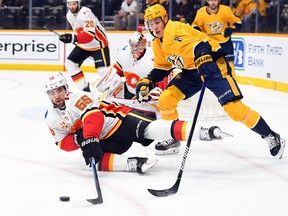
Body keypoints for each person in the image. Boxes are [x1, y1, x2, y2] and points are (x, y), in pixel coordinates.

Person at [135, 4, 285, 159]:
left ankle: (271, 135)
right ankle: (172, 137)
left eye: (157, 22)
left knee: (234, 109)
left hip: (212, 65)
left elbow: (201, 45)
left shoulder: (174, 32)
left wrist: (203, 58)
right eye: (151, 24)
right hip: (191, 71)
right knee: (167, 99)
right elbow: (162, 67)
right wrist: (149, 80)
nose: (154, 27)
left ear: (165, 20)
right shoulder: (158, 43)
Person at [44, 72, 229, 172]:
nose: (56, 96)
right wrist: (79, 141)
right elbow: (62, 142)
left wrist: (88, 137)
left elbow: (95, 117)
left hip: (118, 121)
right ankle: (134, 163)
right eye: (52, 93)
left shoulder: (77, 97)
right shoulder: (51, 117)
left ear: (65, 89)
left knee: (152, 130)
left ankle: (203, 132)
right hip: (106, 140)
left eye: (59, 90)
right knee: (84, 161)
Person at [95, 31, 189, 155]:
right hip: (132, 94)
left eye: (137, 45)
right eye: (132, 45)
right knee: (110, 104)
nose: (135, 49)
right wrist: (106, 80)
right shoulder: (124, 53)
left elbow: (164, 74)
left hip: (149, 95)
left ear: (144, 44)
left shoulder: (153, 56)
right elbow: (117, 70)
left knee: (164, 107)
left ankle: (172, 138)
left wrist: (158, 90)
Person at [59, 0, 110, 91]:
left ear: (78, 3)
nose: (72, 7)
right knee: (70, 64)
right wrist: (67, 38)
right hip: (84, 46)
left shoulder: (86, 13)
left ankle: (113, 90)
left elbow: (90, 35)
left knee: (103, 71)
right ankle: (85, 90)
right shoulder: (69, 15)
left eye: (74, 4)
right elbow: (79, 34)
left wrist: (72, 38)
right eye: (69, 4)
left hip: (98, 44)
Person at [192, 0, 242, 78]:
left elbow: (237, 23)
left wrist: (231, 30)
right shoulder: (201, 12)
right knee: (210, 64)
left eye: (215, 0)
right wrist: (198, 33)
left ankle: (233, 82)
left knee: (229, 64)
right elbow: (195, 26)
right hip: (211, 43)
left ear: (218, 1)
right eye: (211, 0)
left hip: (225, 42)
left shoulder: (225, 10)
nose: (213, 3)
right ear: (207, 1)